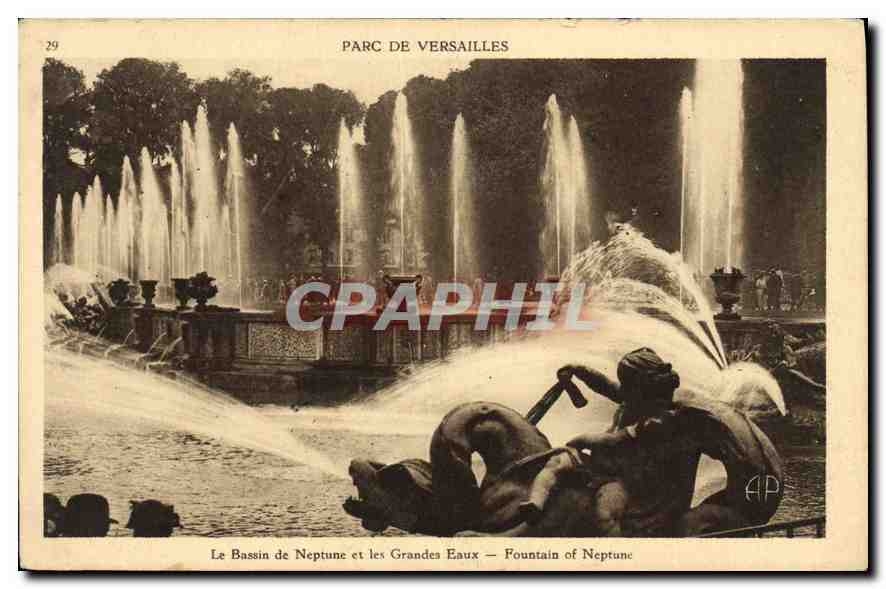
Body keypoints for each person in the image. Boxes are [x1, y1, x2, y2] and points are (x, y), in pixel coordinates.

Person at [521, 348, 699, 536]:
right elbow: (603, 385)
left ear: (642, 386)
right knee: (557, 461)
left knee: (605, 512)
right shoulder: (632, 397)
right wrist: (578, 370)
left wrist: (581, 440)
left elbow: (613, 440)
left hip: (625, 478)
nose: (621, 388)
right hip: (601, 463)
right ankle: (535, 504)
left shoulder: (657, 420)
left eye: (626, 384)